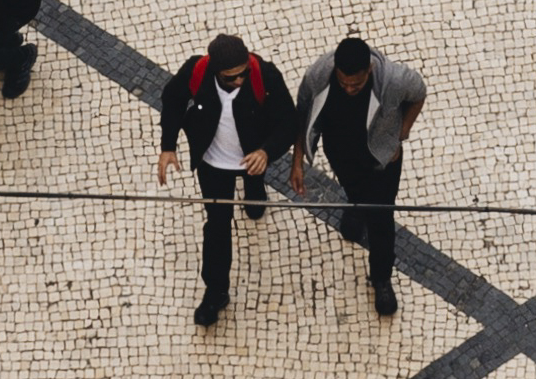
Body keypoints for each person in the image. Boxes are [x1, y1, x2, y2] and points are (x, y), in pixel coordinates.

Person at [157, 34, 298, 326]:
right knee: (217, 226)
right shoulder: (196, 71)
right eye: (232, 77)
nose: (241, 80)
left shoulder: (265, 74)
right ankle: (216, 291)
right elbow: (171, 99)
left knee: (254, 183)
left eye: (245, 72)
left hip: (252, 154)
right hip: (213, 162)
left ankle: (254, 189)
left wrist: (266, 151)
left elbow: (289, 121)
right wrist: (168, 146)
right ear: (216, 72)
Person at [290, 35, 428, 318]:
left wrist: (401, 135)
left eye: (356, 83)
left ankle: (381, 277)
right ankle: (355, 210)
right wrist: (297, 162)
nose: (349, 88)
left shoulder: (393, 80)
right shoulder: (318, 75)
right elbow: (302, 112)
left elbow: (419, 93)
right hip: (340, 152)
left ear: (370, 71)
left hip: (382, 161)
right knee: (354, 192)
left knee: (381, 219)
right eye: (343, 83)